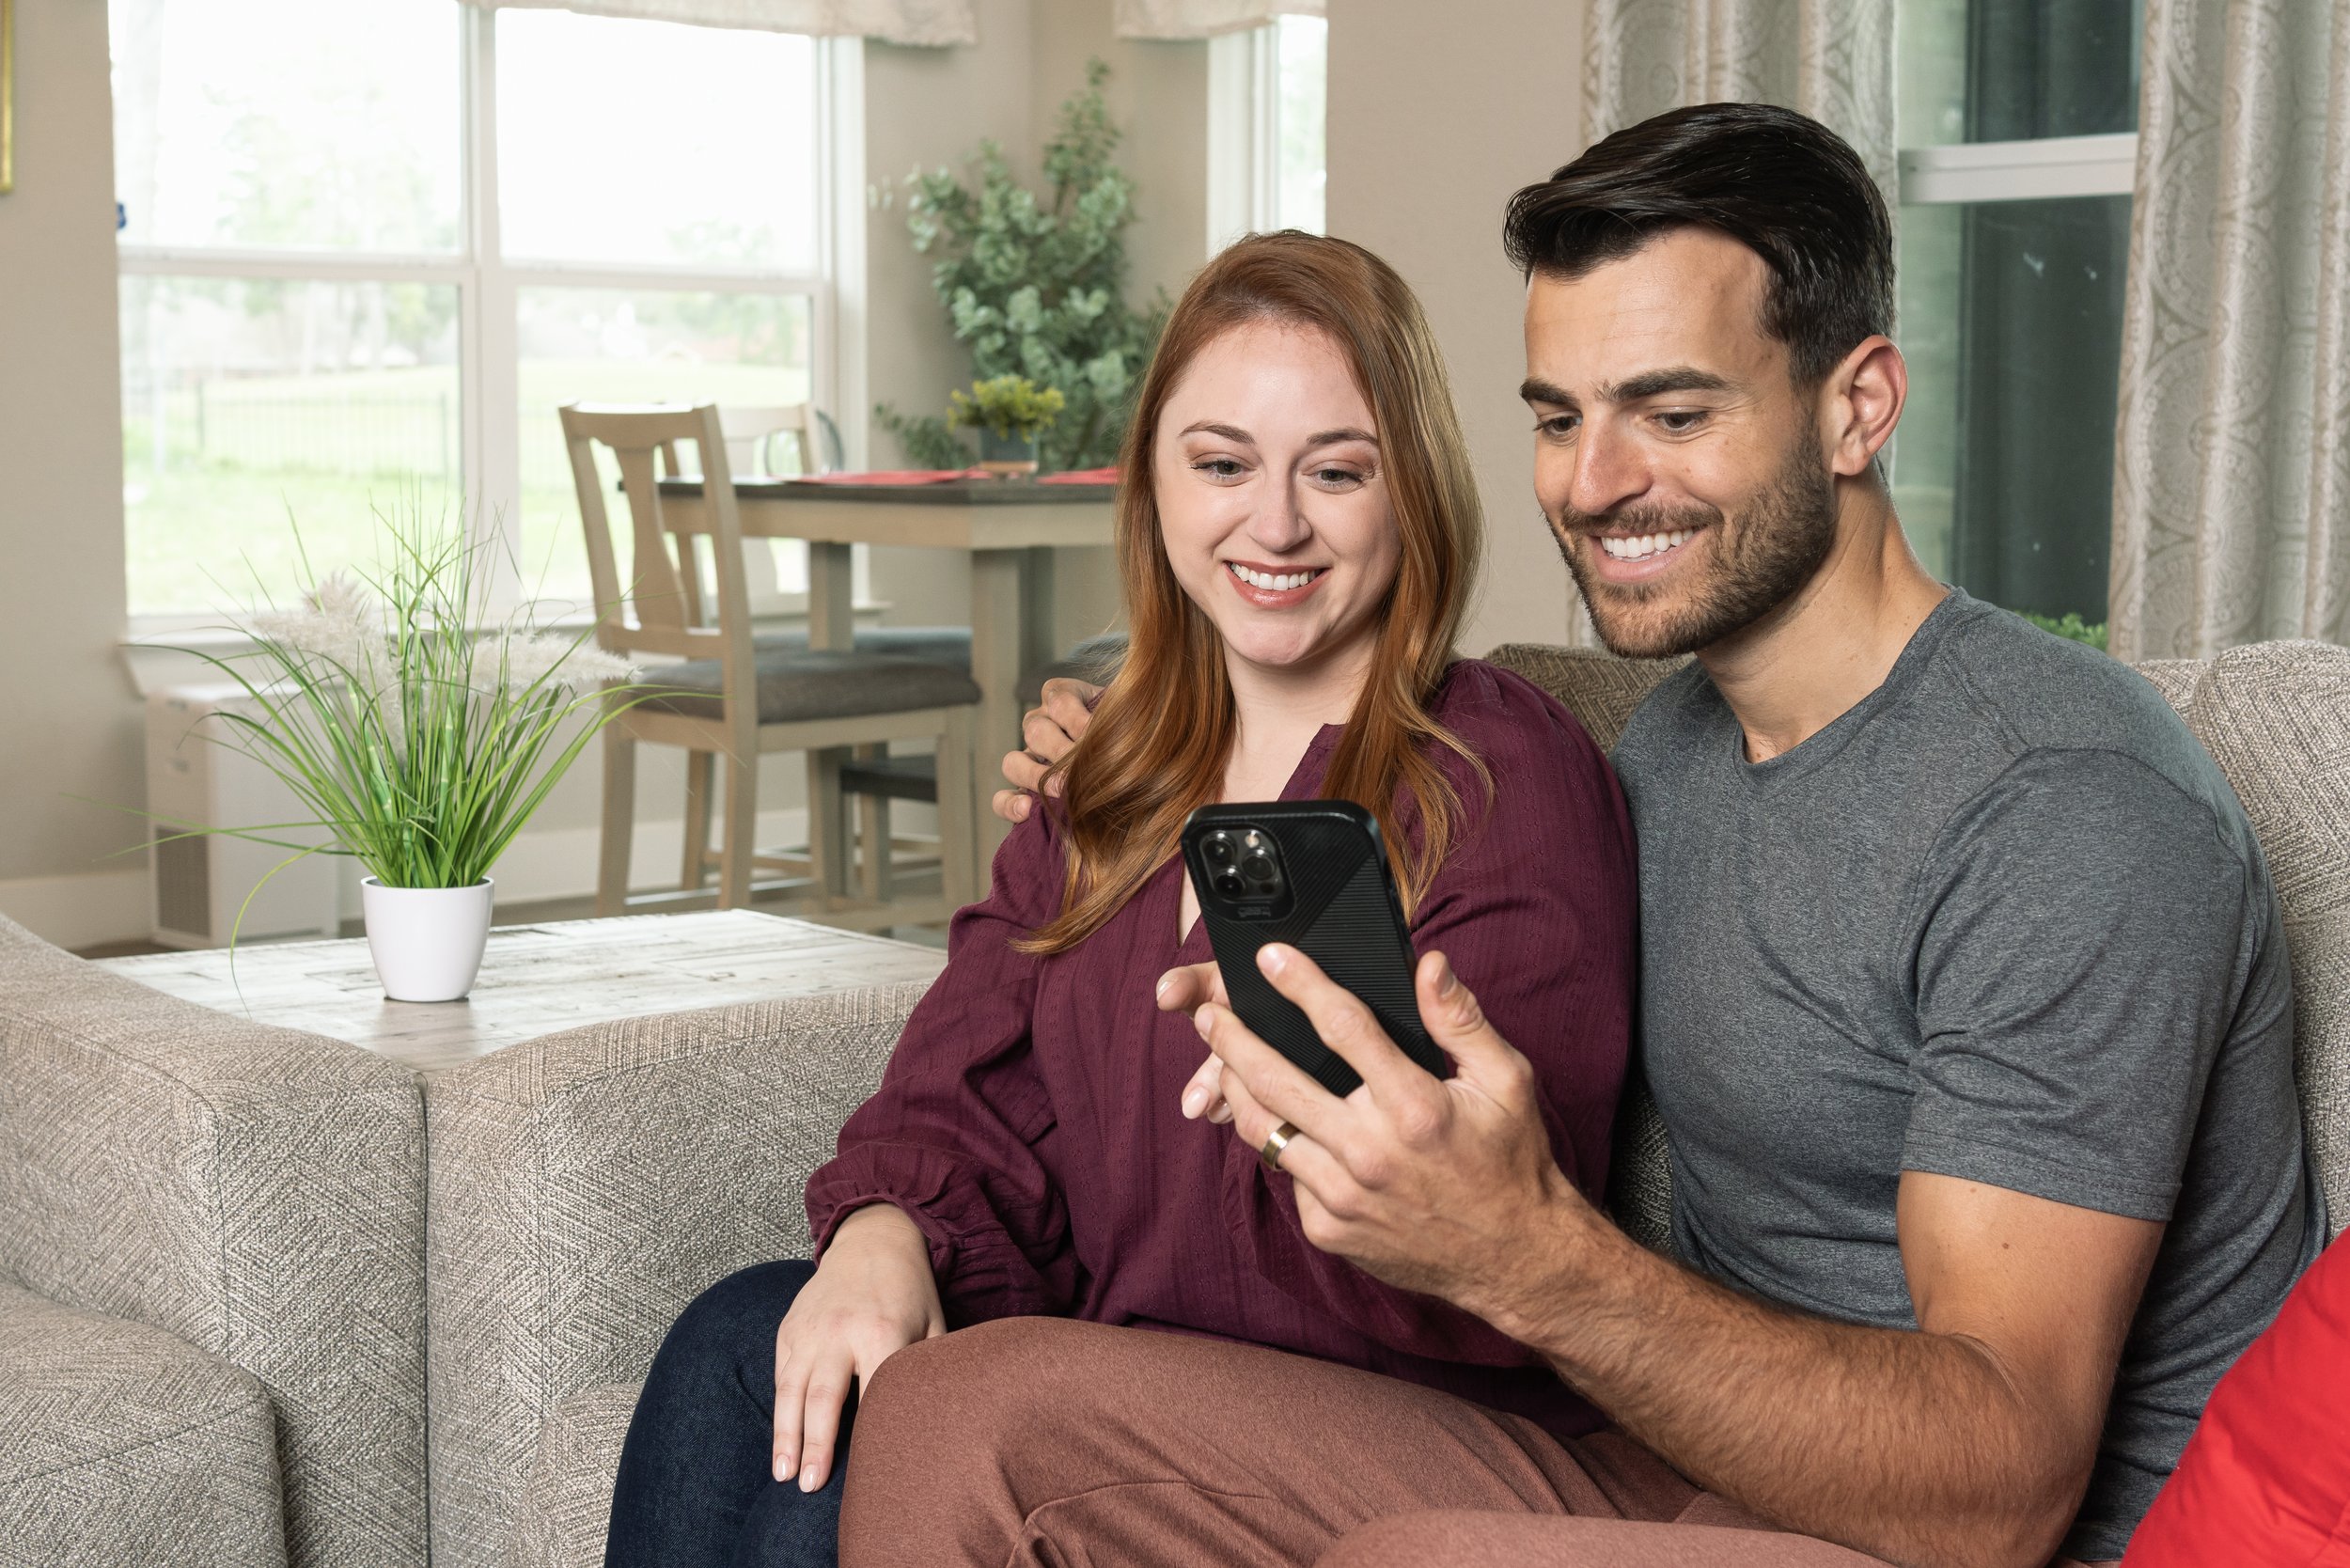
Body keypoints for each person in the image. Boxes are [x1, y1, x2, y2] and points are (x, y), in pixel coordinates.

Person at [844, 103, 2324, 1568]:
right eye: (1560, 418)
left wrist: (1527, 1253)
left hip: (1963, 1536)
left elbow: (1995, 1497)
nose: (1595, 484)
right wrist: (1127, 746)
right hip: (1678, 1466)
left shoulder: (2064, 804)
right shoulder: (1666, 748)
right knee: (962, 1412)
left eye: (1673, 415)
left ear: (1859, 406)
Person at [601, 231, 1640, 1568]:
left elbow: (1495, 1252)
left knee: (924, 1404)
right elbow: (957, 1089)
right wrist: (881, 1235)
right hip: (1113, 1378)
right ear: (1152, 480)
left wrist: (1311, 1127)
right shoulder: (1111, 767)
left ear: (1414, 492)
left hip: (1394, 1419)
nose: (1276, 525)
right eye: (1222, 464)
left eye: (1337, 471)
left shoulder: (1497, 778)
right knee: (746, 1342)